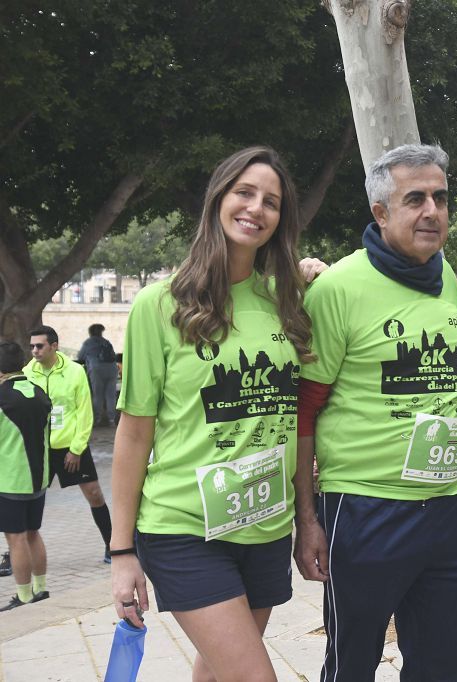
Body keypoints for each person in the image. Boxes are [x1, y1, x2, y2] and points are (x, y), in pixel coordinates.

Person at [110, 146, 313, 682]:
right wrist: (121, 551)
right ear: (218, 199)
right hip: (185, 530)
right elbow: (133, 435)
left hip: (266, 524)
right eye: (244, 193)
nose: (256, 208)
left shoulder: (288, 301)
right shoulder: (159, 305)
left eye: (271, 201)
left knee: (218, 674)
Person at [295, 144, 457, 681]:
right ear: (380, 213)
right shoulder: (335, 289)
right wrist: (307, 519)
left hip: (448, 508)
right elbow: (304, 412)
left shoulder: (445, 278)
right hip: (365, 510)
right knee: (352, 663)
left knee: (443, 667)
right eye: (415, 199)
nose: (432, 212)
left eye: (440, 199)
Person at [25, 325, 112, 563]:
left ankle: (112, 546)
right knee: (26, 501)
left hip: (70, 448)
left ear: (54, 346)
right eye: (32, 346)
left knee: (94, 494)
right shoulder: (27, 372)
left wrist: (76, 449)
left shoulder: (75, 371)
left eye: (39, 346)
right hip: (40, 449)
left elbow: (85, 412)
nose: (34, 351)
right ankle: (17, 553)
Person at [0, 341, 51, 611]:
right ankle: (41, 588)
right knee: (33, 533)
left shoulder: (2, 397)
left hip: (10, 480)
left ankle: (23, 596)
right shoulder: (40, 392)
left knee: (15, 538)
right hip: (38, 479)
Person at [78, 323, 119, 426]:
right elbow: (113, 355)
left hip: (96, 369)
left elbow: (80, 357)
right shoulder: (106, 342)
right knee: (111, 395)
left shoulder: (88, 343)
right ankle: (111, 420)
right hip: (112, 368)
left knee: (98, 394)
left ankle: (97, 418)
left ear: (90, 332)